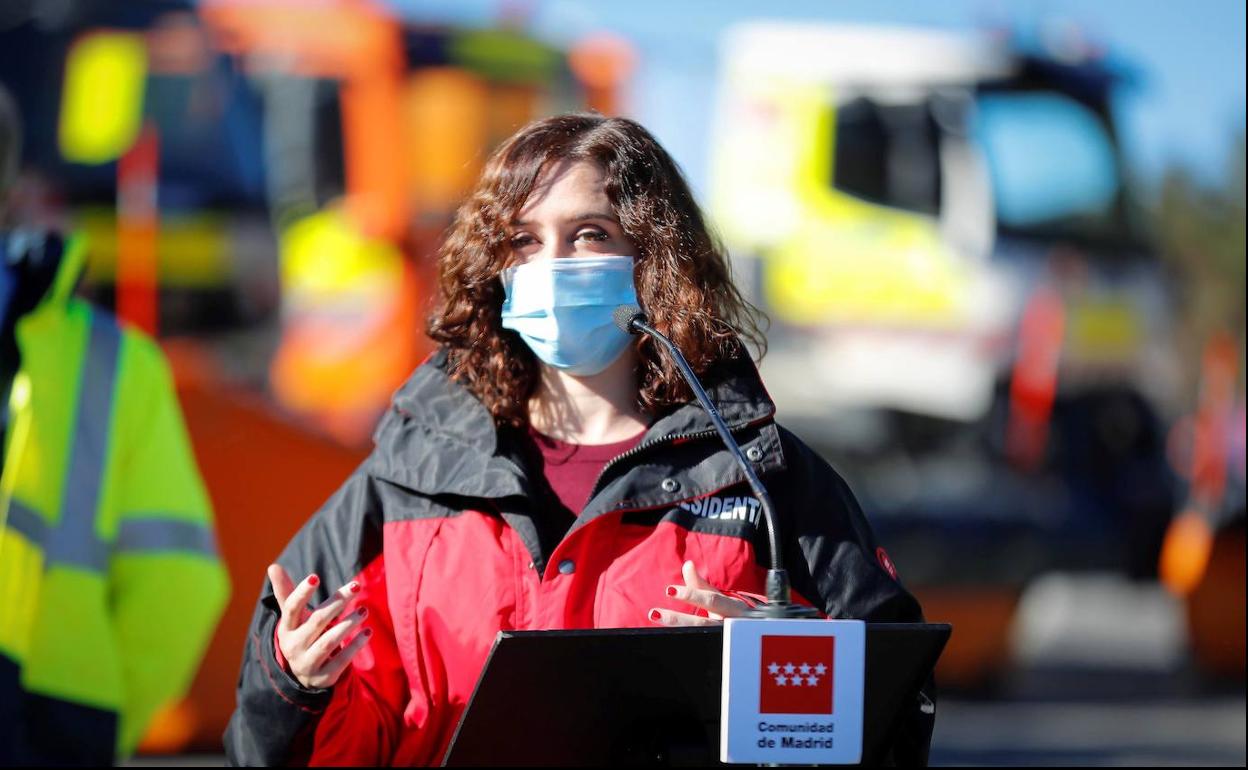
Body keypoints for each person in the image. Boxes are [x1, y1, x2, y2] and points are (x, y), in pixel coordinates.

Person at [224, 113, 934, 766]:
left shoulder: (764, 481)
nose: (553, 265)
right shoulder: (407, 478)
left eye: (589, 234)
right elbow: (301, 745)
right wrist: (296, 686)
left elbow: (893, 719)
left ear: (653, 256)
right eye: (524, 240)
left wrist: (782, 652)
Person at [0, 85, 230, 764]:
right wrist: (95, 722)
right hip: (55, 722)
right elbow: (179, 586)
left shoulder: (116, 363)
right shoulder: (116, 361)